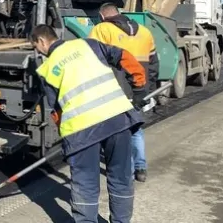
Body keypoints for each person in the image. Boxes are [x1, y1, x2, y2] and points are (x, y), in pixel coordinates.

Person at [31, 24, 146, 223]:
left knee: (85, 184)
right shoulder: (89, 44)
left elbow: (56, 112)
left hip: (81, 131)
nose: (37, 51)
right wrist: (139, 88)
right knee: (121, 178)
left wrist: (67, 139)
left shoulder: (47, 69)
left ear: (41, 42)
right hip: (117, 119)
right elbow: (124, 57)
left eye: (35, 46)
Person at [89, 3, 159, 183]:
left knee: (119, 133)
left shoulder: (102, 30)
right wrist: (145, 90)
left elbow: (91, 59)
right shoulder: (144, 32)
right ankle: (141, 168)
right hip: (138, 90)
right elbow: (153, 64)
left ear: (102, 16)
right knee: (136, 129)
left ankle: (125, 172)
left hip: (114, 91)